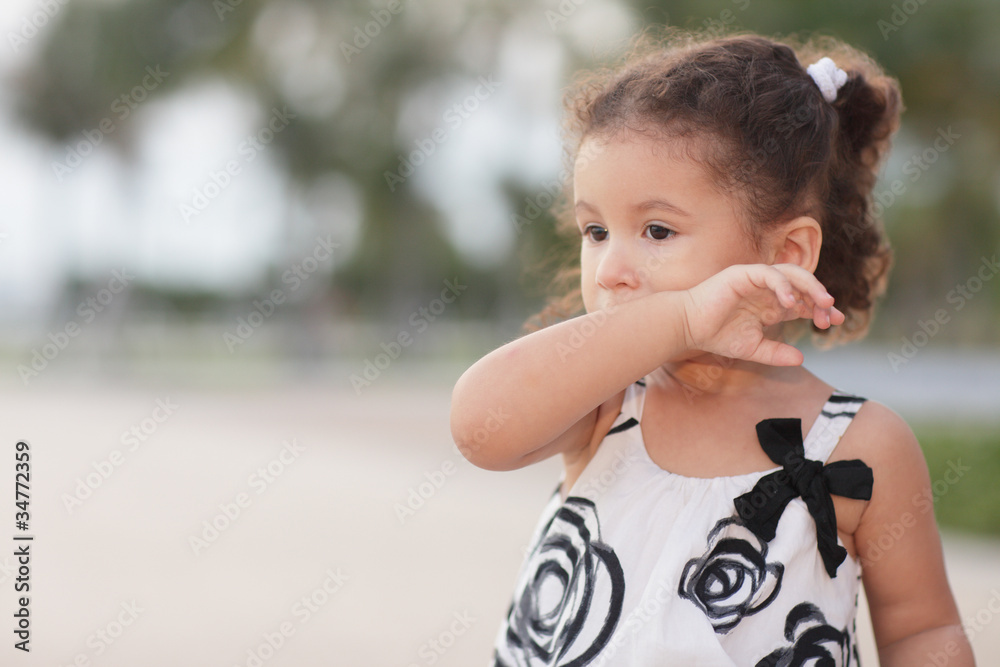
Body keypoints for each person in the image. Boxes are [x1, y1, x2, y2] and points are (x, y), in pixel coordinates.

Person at [450, 28, 975, 667]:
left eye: (657, 230)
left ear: (787, 254)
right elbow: (478, 428)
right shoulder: (605, 399)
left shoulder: (862, 444)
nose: (610, 269)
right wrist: (681, 317)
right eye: (595, 230)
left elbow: (922, 631)